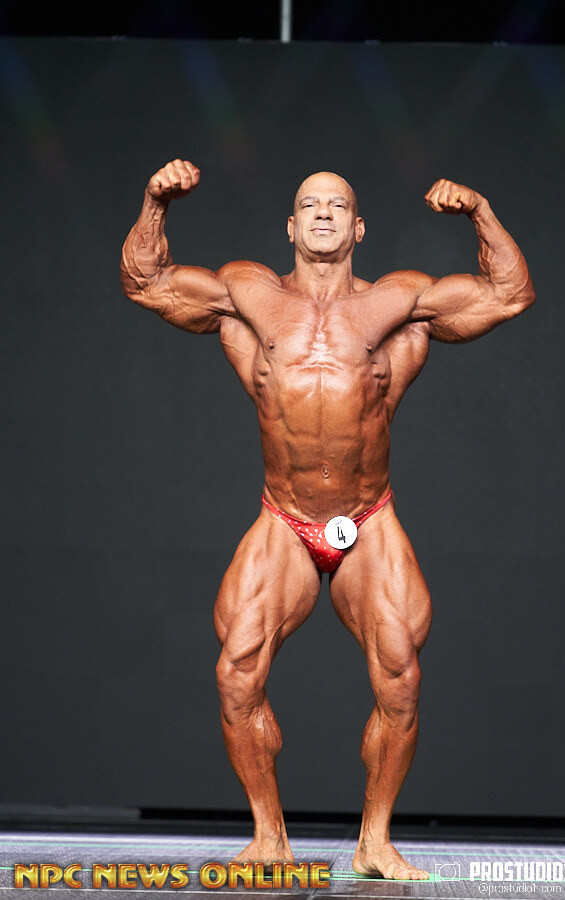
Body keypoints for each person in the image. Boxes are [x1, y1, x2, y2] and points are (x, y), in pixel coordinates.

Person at [120, 159, 535, 880]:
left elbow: (509, 293)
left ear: (358, 227)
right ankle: (269, 838)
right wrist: (155, 201)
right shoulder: (248, 295)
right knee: (236, 673)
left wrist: (481, 211)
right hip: (284, 518)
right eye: (309, 205)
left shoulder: (398, 303)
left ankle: (374, 841)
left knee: (400, 676)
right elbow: (145, 281)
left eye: (337, 206)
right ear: (290, 225)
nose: (322, 214)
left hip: (367, 518)